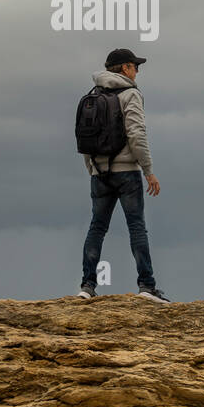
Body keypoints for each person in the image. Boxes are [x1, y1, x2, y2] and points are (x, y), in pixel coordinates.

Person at [78, 47, 169, 303]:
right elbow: (137, 135)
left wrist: (93, 168)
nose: (137, 71)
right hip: (127, 172)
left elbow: (85, 137)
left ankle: (87, 286)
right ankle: (146, 287)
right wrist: (149, 171)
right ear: (125, 68)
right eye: (135, 66)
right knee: (137, 228)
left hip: (99, 173)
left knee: (97, 228)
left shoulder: (92, 95)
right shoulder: (130, 94)